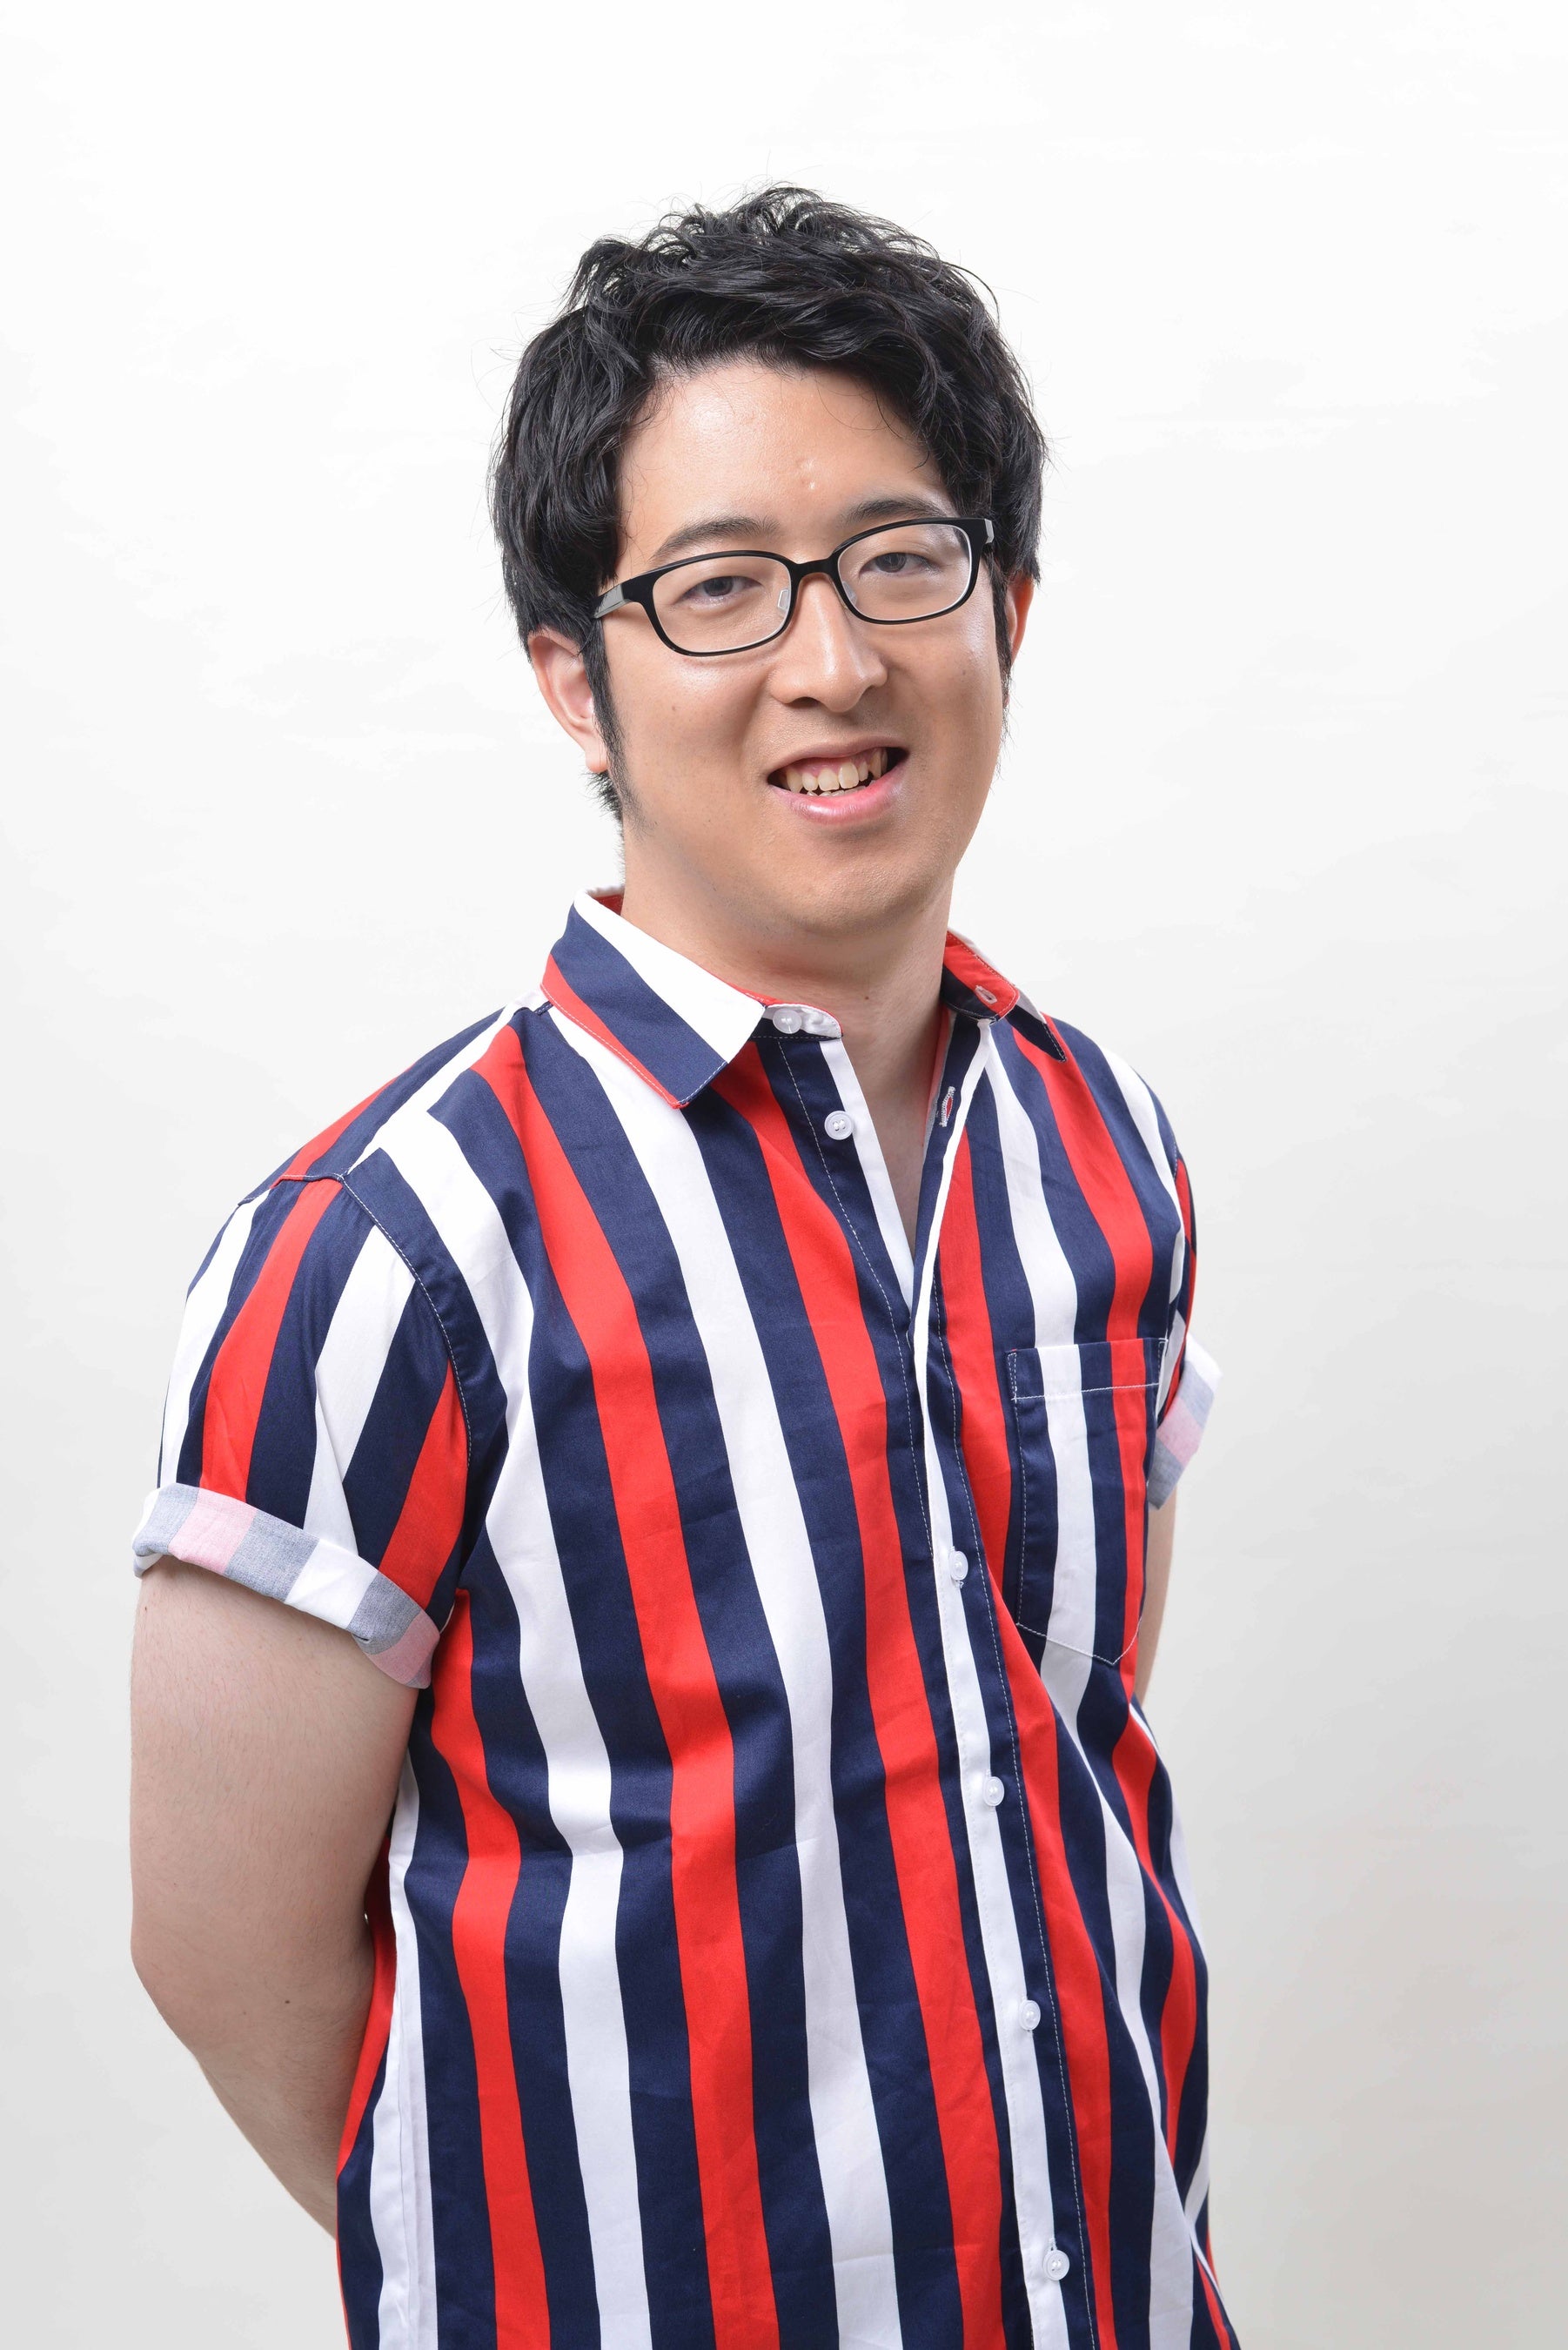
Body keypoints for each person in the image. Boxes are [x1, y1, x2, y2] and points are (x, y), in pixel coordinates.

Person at [129, 188, 1231, 2350]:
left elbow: (1052, 1748)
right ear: (578, 679)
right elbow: (225, 1957)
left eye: (900, 561)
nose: (833, 664)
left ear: (1006, 607)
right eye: (721, 589)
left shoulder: (1099, 1146)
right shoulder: (385, 1252)